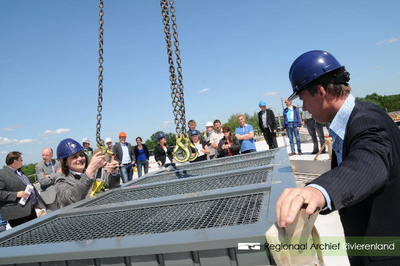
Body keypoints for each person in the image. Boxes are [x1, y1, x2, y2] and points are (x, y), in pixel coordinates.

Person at [276, 50, 400, 266]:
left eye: (303, 99)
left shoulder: (367, 121)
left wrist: (318, 190)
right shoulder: (354, 119)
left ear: (321, 91)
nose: (303, 108)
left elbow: (367, 165)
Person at [55, 138, 120, 207]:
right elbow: (73, 198)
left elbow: (112, 185)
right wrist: (91, 169)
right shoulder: (61, 182)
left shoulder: (94, 173)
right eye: (74, 157)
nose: (80, 158)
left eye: (81, 155)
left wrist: (114, 173)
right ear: (64, 162)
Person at [0, 151, 46, 228]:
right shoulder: (2, 174)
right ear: (15, 161)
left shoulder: (19, 172)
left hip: (30, 210)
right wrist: (16, 194)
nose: (22, 162)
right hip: (17, 215)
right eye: (21, 160)